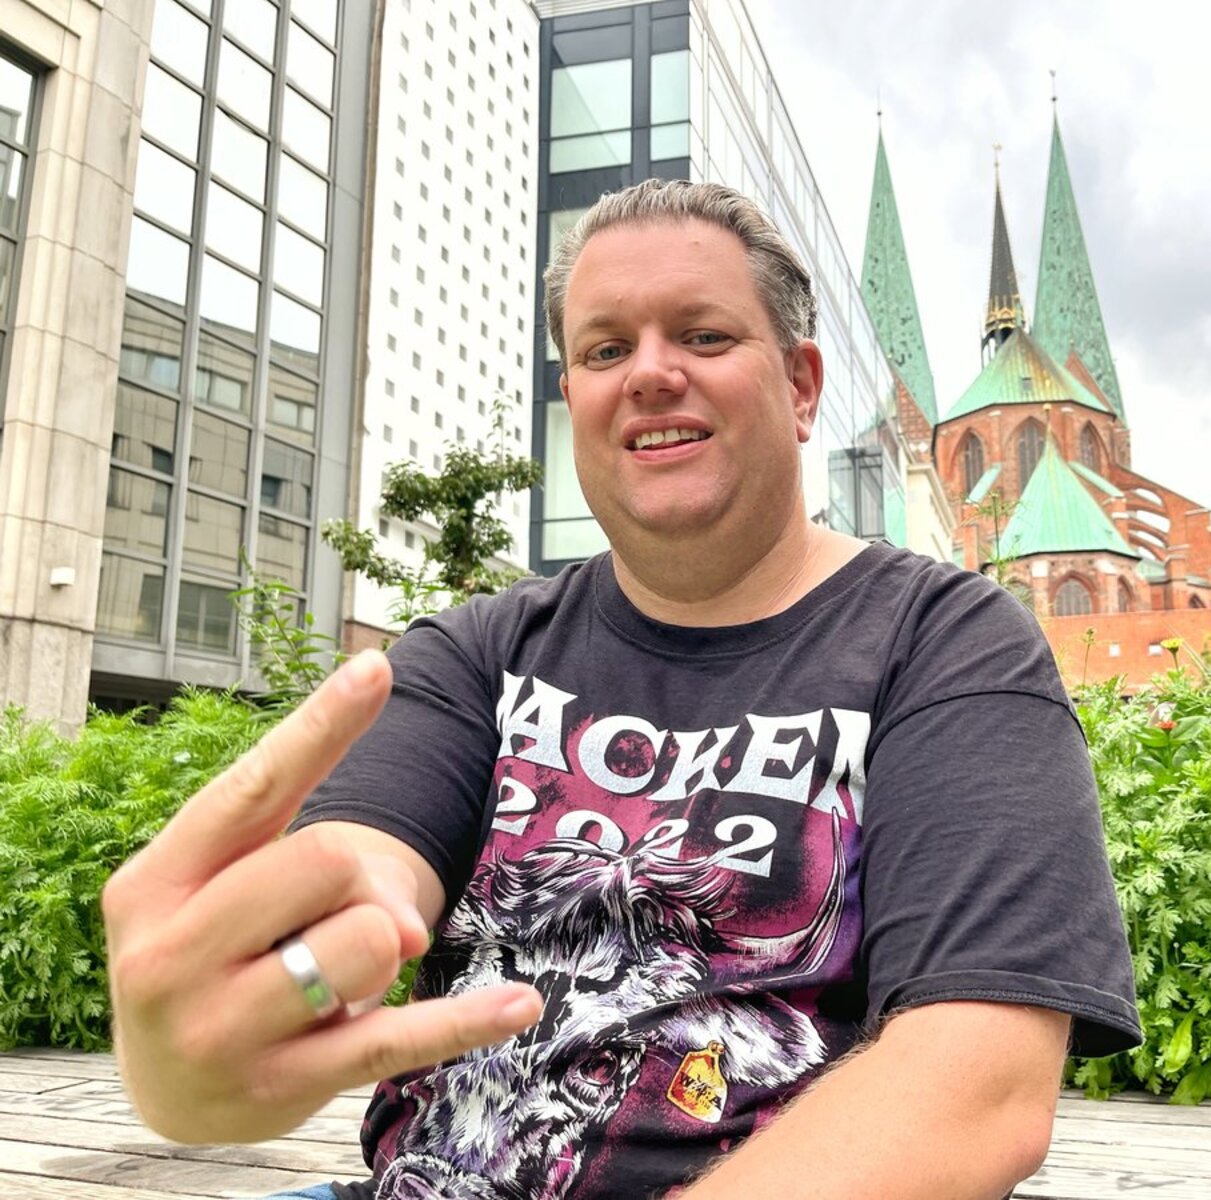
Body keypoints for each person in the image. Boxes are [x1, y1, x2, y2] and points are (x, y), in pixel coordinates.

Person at [103, 179, 1141, 1200]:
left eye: (702, 335)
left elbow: (974, 1090)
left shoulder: (948, 645)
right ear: (576, 404)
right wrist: (247, 1008)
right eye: (605, 350)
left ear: (801, 385)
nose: (649, 373)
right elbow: (362, 877)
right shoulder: (476, 651)